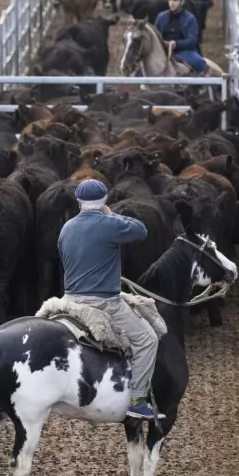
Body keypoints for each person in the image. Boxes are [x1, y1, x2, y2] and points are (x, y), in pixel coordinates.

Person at [57, 179, 164, 420]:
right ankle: (137, 399)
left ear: (78, 202)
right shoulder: (109, 225)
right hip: (103, 303)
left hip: (69, 300)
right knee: (147, 339)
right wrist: (111, 214)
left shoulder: (67, 228)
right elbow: (140, 229)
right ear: (104, 201)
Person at [153, 0, 207, 74]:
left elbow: (192, 40)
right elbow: (155, 36)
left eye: (175, 0)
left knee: (199, 62)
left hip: (184, 52)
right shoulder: (161, 17)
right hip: (163, 51)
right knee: (141, 70)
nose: (172, 3)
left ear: (182, 2)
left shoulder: (190, 18)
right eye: (170, 0)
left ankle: (201, 84)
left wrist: (176, 44)